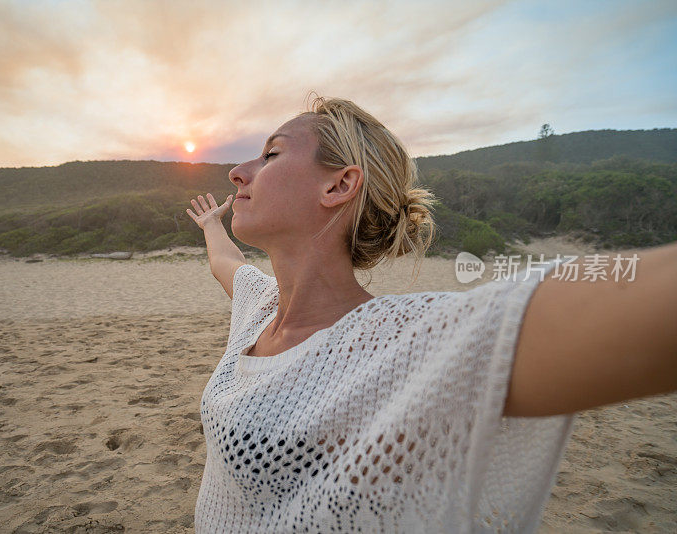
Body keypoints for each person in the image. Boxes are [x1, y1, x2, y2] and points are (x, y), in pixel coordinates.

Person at [185, 95, 677, 533]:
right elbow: (225, 263)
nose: (238, 172)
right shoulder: (260, 307)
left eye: (271, 154)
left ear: (339, 185)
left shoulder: (402, 341)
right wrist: (212, 224)